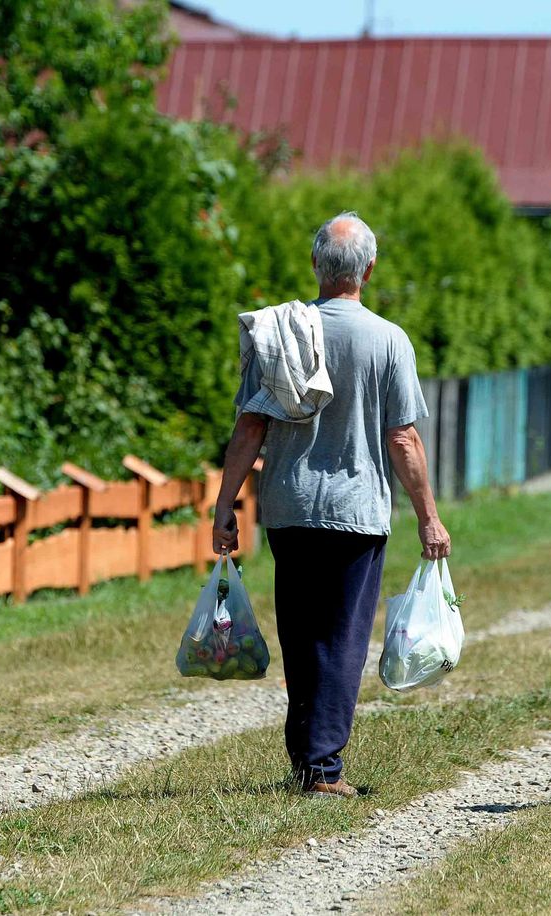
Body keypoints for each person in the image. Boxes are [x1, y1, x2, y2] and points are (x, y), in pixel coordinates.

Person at [211, 212, 451, 798]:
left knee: (301, 634)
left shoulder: (281, 332)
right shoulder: (389, 340)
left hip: (289, 508)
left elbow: (249, 429)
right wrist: (428, 515)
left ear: (316, 265)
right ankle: (323, 768)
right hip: (357, 512)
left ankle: (307, 759)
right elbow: (404, 438)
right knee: (342, 637)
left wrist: (224, 505)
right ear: (369, 269)